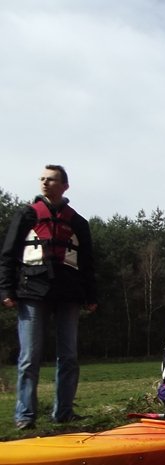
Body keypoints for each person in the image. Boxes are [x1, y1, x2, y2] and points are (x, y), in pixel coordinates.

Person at [0, 165, 98, 430]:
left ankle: (63, 412)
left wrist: (91, 295)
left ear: (64, 186)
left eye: (51, 179)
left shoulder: (78, 222)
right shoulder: (27, 215)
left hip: (69, 293)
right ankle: (25, 415)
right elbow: (8, 255)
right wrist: (6, 290)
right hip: (32, 291)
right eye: (42, 179)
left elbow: (88, 263)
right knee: (29, 357)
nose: (45, 182)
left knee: (68, 357)